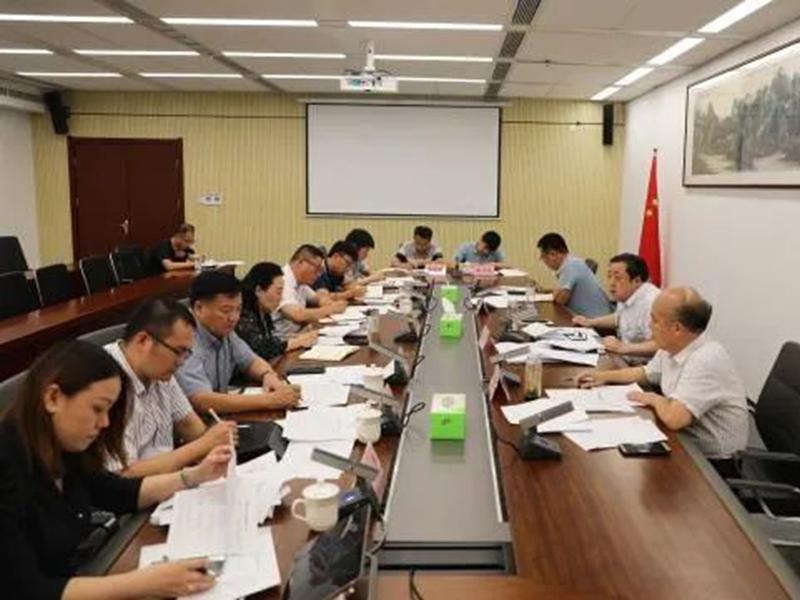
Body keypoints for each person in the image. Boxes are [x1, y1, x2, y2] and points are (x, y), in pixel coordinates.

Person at [0, 340, 232, 599]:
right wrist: (147, 583)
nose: (105, 422)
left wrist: (195, 475)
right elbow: (26, 590)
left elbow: (119, 492)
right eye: (97, 409)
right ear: (53, 398)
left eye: (109, 410)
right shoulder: (7, 465)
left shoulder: (65, 449)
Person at [577, 287, 748, 468]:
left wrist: (652, 398)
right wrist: (603, 376)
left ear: (676, 328)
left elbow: (675, 418)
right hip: (685, 441)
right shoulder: (673, 345)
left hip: (714, 463)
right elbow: (645, 373)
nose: (650, 325)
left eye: (655, 320)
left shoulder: (705, 359)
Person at [104, 298, 237, 477]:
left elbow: (188, 424)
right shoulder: (105, 381)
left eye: (186, 353)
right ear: (143, 341)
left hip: (170, 481)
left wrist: (216, 438)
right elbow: (123, 474)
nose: (181, 362)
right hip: (137, 490)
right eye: (179, 351)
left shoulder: (160, 371)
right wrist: (203, 445)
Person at [175, 270, 300, 414]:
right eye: (226, 311)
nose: (234, 318)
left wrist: (268, 375)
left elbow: (250, 360)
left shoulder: (223, 330)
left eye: (238, 309)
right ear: (199, 308)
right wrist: (271, 401)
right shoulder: (183, 337)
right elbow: (201, 400)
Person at [573, 253, 660, 357]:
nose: (611, 283)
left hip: (644, 364)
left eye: (617, 278)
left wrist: (624, 348)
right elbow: (619, 317)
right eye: (609, 276)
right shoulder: (627, 294)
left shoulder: (652, 304)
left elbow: (660, 345)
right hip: (624, 357)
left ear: (636, 281)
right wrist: (590, 322)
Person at [237, 262, 319, 361]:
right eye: (279, 292)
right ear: (259, 291)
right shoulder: (242, 313)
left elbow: (270, 339)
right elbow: (260, 350)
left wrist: (297, 337)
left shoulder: (263, 309)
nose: (281, 298)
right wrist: (298, 341)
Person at [272, 245, 347, 339]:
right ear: (301, 262)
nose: (319, 274)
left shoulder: (301, 283)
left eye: (321, 270)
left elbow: (317, 298)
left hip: (299, 334)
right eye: (317, 268)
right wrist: (330, 309)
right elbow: (297, 314)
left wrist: (331, 304)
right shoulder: (283, 280)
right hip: (283, 340)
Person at [537, 232, 612, 318]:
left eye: (543, 257)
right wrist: (555, 292)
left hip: (595, 321)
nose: (543, 261)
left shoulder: (570, 266)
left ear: (553, 255)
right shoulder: (572, 262)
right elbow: (559, 293)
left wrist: (556, 293)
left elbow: (561, 300)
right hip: (591, 317)